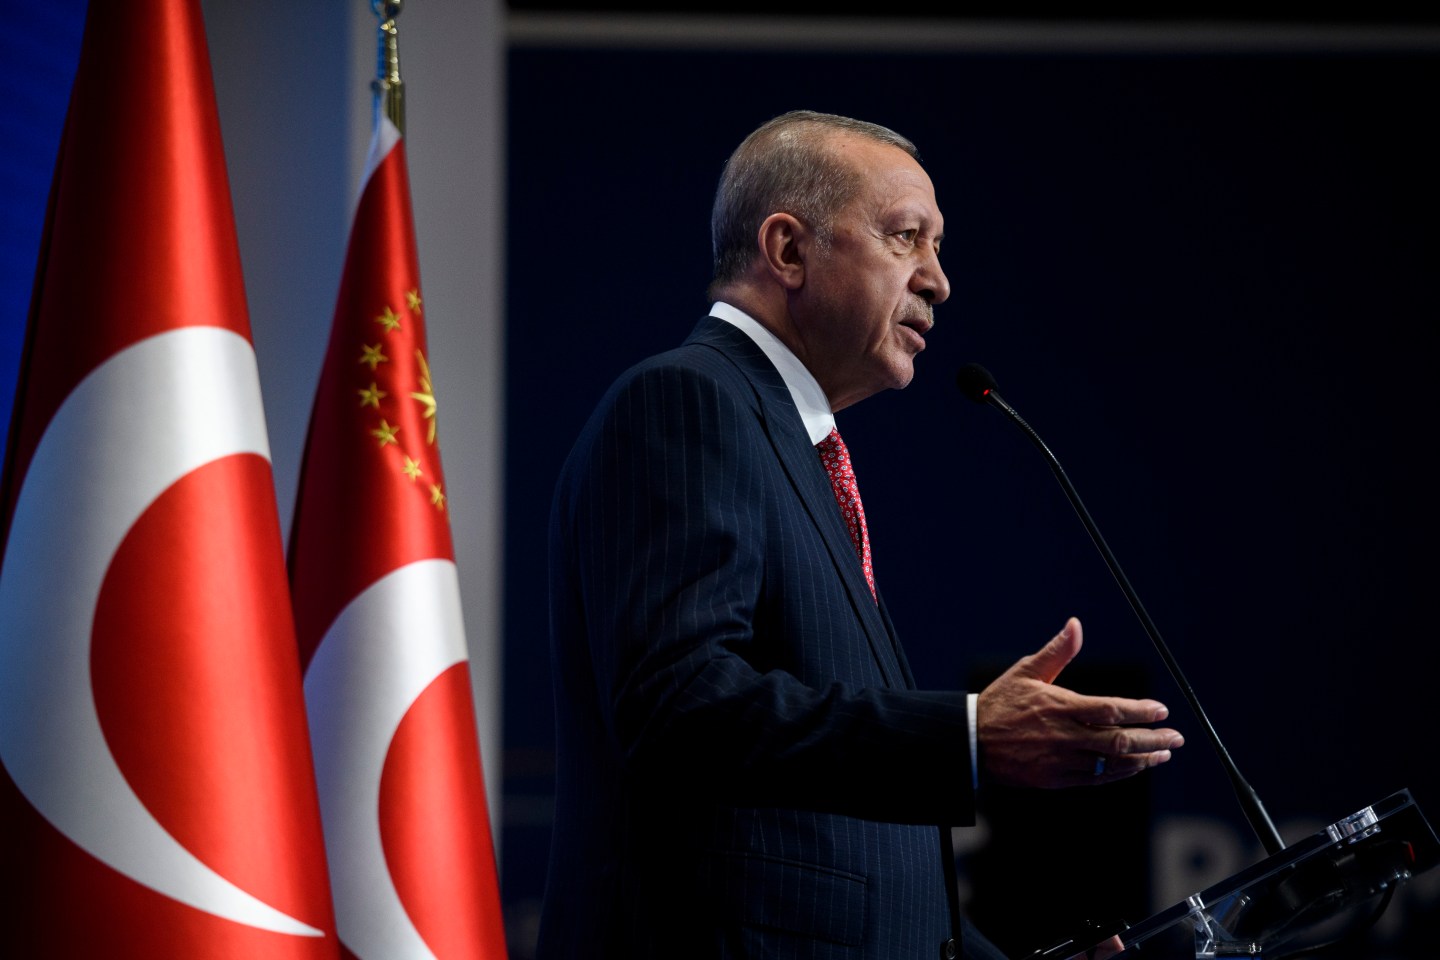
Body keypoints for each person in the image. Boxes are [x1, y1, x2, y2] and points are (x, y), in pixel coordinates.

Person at [537, 110, 1183, 960]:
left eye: (939, 247)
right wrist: (966, 735)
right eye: (907, 237)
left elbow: (837, 851)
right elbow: (678, 709)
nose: (939, 281)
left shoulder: (795, 448)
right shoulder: (688, 403)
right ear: (789, 249)